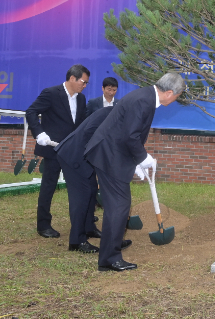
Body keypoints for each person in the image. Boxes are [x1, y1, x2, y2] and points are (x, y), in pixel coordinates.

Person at [84, 72, 185, 272]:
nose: (175, 101)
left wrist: (136, 161)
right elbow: (130, 136)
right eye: (177, 97)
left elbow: (129, 132)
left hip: (113, 154)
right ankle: (110, 259)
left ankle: (109, 256)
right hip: (109, 155)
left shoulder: (146, 97)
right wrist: (142, 158)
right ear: (170, 92)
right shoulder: (144, 100)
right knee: (119, 206)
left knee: (119, 206)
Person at [26, 64, 90, 238]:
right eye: (83, 82)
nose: (84, 86)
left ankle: (84, 224)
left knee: (81, 187)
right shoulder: (51, 93)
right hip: (53, 149)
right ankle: (43, 225)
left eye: (86, 84)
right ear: (72, 78)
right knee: (49, 186)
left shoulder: (81, 99)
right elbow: (31, 112)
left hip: (72, 151)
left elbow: (81, 124)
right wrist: (39, 133)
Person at [54, 106, 113, 254]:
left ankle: (88, 228)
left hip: (83, 158)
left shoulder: (114, 114)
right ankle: (76, 240)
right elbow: (90, 133)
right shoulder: (108, 114)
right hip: (73, 156)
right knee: (81, 197)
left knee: (92, 190)